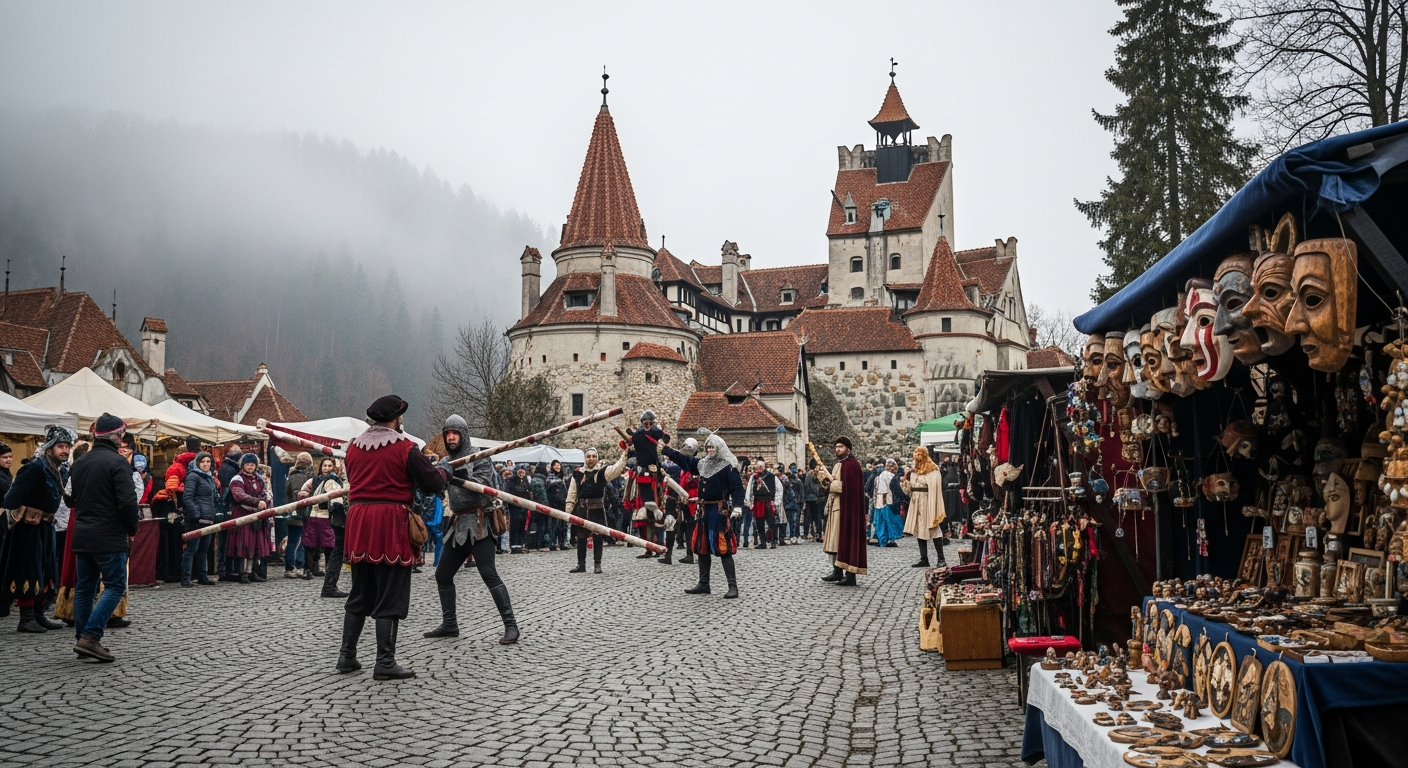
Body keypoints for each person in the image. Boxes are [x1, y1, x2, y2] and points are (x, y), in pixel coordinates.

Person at [336, 395, 448, 679]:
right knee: (390, 591)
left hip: (359, 520)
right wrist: (444, 471)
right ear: (396, 419)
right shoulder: (406, 448)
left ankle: (347, 656)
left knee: (360, 591)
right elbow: (432, 483)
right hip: (389, 521)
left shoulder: (353, 448)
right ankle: (384, 662)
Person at [423, 414, 518, 644]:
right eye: (448, 434)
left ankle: (511, 626)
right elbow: (436, 487)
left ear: (463, 435)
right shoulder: (446, 461)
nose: (451, 437)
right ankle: (450, 624)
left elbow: (483, 487)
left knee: (488, 574)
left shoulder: (479, 456)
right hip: (458, 525)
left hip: (479, 523)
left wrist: (457, 474)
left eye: (455, 433)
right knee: (443, 575)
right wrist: (433, 476)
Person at [68, 414, 139, 661]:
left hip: (83, 533)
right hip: (109, 535)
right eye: (122, 434)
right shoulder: (118, 463)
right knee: (115, 586)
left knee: (85, 588)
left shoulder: (80, 462)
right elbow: (127, 503)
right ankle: (90, 637)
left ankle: (82, 638)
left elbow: (68, 498)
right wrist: (132, 529)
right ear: (116, 436)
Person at [0, 424, 73, 632]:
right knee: (28, 570)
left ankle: (39, 615)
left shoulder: (61, 470)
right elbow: (12, 498)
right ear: (49, 449)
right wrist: (24, 515)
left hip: (46, 527)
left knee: (47, 568)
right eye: (60, 446)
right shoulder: (34, 468)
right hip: (27, 529)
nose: (65, 450)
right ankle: (26, 618)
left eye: (67, 446)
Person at [663, 434, 744, 598]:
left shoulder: (727, 466)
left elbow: (737, 488)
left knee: (723, 548)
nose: (710, 450)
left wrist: (737, 506)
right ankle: (704, 583)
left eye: (712, 447)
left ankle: (732, 586)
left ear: (719, 448)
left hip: (718, 511)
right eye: (708, 447)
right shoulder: (703, 463)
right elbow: (684, 460)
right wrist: (666, 450)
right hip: (703, 511)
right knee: (701, 547)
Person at [565, 446, 628, 574]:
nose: (591, 459)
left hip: (597, 509)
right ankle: (581, 564)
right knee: (581, 538)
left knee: (597, 538)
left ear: (597, 458)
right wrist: (568, 512)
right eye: (588, 456)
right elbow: (572, 493)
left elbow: (616, 469)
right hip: (581, 509)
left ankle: (597, 564)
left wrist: (625, 454)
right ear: (585, 458)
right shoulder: (577, 473)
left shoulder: (602, 472)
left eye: (593, 456)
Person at [821, 436, 867, 586]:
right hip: (837, 507)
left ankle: (850, 575)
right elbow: (832, 484)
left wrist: (831, 481)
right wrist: (824, 477)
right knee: (836, 541)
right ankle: (837, 571)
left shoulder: (851, 465)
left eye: (840, 447)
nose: (837, 450)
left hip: (847, 509)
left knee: (847, 540)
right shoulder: (839, 464)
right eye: (836, 447)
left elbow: (846, 488)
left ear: (848, 449)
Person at [297, 458, 345, 593]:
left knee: (329, 545)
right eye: (325, 465)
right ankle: (309, 569)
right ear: (321, 467)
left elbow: (339, 499)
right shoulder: (314, 480)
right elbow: (303, 492)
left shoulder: (336, 481)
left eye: (329, 466)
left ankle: (329, 572)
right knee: (309, 545)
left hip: (327, 518)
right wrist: (305, 498)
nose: (327, 468)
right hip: (312, 515)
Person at [228, 453, 272, 583]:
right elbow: (238, 495)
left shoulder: (259, 479)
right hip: (242, 515)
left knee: (255, 544)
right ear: (243, 465)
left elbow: (264, 494)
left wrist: (265, 502)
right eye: (248, 464)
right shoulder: (237, 479)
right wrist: (257, 502)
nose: (250, 467)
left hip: (256, 516)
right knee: (244, 544)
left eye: (252, 465)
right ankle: (243, 573)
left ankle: (252, 572)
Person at [180, 452, 220, 587]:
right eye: (203, 462)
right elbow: (188, 497)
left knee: (204, 549)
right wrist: (196, 514)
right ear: (197, 463)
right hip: (196, 519)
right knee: (192, 548)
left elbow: (211, 499)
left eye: (208, 462)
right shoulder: (193, 476)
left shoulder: (209, 477)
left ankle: (202, 576)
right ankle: (186, 578)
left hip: (208, 518)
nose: (206, 464)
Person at [902, 446, 945, 568]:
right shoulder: (914, 470)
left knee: (933, 528)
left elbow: (935, 490)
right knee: (919, 529)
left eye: (920, 456)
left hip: (928, 501)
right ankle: (924, 558)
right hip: (916, 502)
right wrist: (906, 485)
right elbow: (911, 488)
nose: (917, 459)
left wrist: (933, 507)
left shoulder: (933, 470)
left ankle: (941, 559)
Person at [154, 450, 193, 582]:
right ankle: (173, 570)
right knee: (174, 542)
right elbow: (172, 488)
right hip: (173, 513)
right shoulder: (179, 469)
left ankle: (171, 570)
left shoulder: (177, 468)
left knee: (171, 543)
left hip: (171, 512)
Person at [283, 452, 316, 578]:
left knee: (292, 541)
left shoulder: (290, 476)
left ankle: (289, 567)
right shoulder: (310, 477)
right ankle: (300, 565)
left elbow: (286, 495)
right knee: (303, 541)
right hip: (306, 514)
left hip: (292, 512)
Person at [745, 460, 781, 550]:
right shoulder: (754, 477)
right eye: (758, 467)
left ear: (763, 467)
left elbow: (779, 489)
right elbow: (749, 489)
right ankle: (763, 542)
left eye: (760, 467)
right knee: (759, 523)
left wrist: (776, 502)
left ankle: (773, 541)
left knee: (771, 523)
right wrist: (749, 502)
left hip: (769, 502)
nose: (759, 469)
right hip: (758, 502)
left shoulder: (772, 477)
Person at [871, 458, 901, 548]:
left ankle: (883, 540)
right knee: (888, 520)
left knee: (881, 521)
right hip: (886, 500)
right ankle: (887, 539)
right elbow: (885, 489)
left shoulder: (881, 475)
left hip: (880, 500)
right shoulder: (889, 476)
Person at [505, 466, 532, 554]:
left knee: (522, 527)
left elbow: (529, 492)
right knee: (515, 527)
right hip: (515, 507)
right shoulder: (511, 481)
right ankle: (514, 545)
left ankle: (520, 545)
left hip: (523, 507)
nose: (521, 474)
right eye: (519, 472)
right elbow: (512, 492)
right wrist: (524, 491)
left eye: (523, 473)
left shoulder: (525, 481)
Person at [544, 459, 569, 552]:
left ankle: (562, 543)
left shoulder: (563, 477)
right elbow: (549, 491)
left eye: (558, 465)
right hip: (554, 504)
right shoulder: (550, 478)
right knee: (553, 526)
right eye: (555, 465)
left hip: (563, 504)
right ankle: (552, 544)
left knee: (563, 526)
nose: (557, 467)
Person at [801, 462, 822, 541]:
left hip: (811, 499)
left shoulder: (809, 476)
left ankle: (812, 532)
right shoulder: (810, 476)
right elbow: (813, 487)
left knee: (811, 517)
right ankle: (814, 532)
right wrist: (818, 493)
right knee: (814, 517)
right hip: (812, 499)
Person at [783, 468, 802, 544]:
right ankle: (792, 536)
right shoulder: (797, 482)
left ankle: (789, 536)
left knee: (789, 522)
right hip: (793, 505)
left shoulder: (786, 484)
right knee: (793, 522)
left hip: (788, 505)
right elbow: (796, 495)